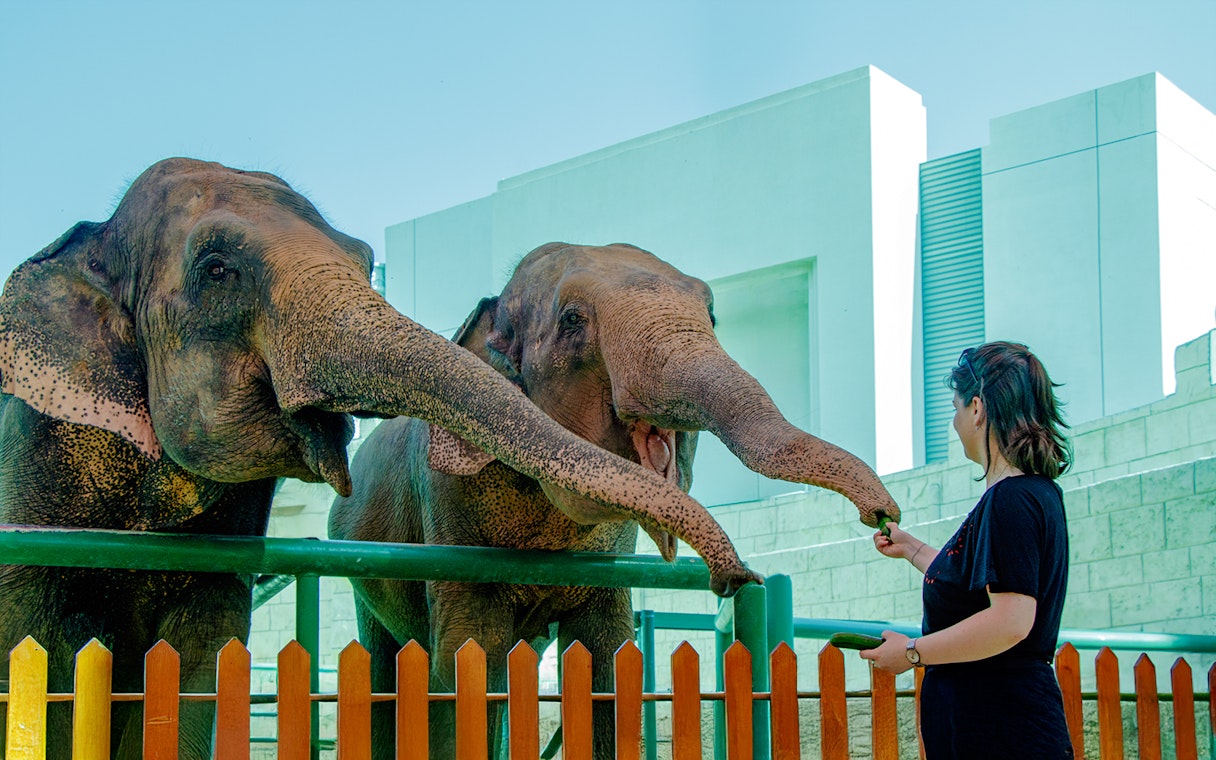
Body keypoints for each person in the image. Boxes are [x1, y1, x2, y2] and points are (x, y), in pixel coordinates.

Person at [860, 341, 1073, 759]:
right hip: (1004, 723)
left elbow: (1010, 622)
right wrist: (911, 548)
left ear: (977, 408)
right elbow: (972, 581)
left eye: (956, 408)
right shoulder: (1034, 495)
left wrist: (911, 653)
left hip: (1000, 728)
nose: (954, 423)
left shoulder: (1010, 501)